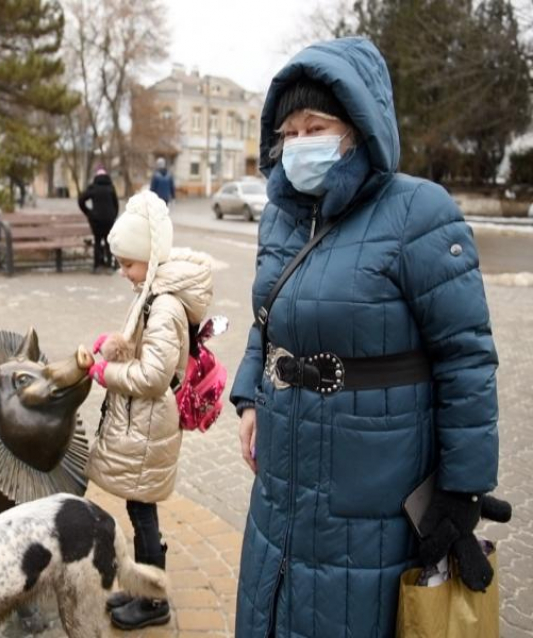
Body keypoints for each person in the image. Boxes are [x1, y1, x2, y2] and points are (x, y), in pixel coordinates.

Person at [230, 37, 509, 637]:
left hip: (373, 490)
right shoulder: (282, 216)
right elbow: (266, 320)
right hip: (281, 477)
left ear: (357, 127)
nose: (301, 143)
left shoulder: (418, 212)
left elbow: (465, 358)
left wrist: (462, 491)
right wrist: (250, 396)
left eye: (317, 126)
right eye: (291, 131)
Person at [86, 190, 213, 630]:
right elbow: (143, 352)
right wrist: (116, 346)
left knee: (143, 513)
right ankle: (144, 588)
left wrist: (106, 374)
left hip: (149, 424)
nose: (123, 273)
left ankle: (153, 600)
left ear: (150, 257)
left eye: (127, 264)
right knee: (140, 511)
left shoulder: (164, 304)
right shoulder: (151, 291)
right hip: (142, 424)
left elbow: (153, 376)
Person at [78, 166, 120, 271]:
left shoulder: (93, 187)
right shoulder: (111, 187)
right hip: (109, 220)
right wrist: (113, 215)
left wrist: (88, 212)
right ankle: (109, 265)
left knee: (97, 241)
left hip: (96, 220)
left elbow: (81, 200)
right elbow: (116, 204)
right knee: (108, 242)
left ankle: (97, 266)